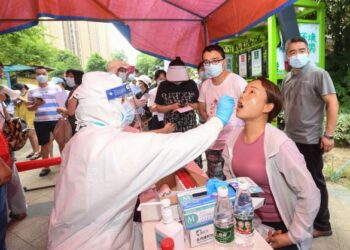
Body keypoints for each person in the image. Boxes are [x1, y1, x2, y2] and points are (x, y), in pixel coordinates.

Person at [48, 71, 235, 250]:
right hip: (97, 243)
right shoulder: (112, 146)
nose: (127, 106)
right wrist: (218, 120)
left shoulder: (80, 140)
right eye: (121, 101)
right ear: (105, 105)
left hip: (82, 236)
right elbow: (180, 145)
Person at [223, 78, 320, 250]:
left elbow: (310, 192)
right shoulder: (232, 138)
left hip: (280, 227)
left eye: (251, 91)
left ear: (267, 107)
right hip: (248, 222)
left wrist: (291, 236)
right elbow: (231, 179)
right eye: (244, 90)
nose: (242, 95)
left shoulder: (279, 144)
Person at [281, 37, 338, 238]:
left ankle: (323, 225)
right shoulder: (288, 78)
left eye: (302, 50)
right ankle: (304, 219)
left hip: (311, 140)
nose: (298, 54)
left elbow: (332, 103)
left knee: (315, 182)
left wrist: (328, 135)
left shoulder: (318, 74)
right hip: (290, 139)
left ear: (308, 51)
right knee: (295, 182)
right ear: (287, 55)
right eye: (293, 51)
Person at [198, 44, 247, 179]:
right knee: (215, 181)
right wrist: (214, 123)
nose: (211, 65)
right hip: (213, 143)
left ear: (224, 62)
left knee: (237, 180)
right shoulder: (205, 85)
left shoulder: (237, 81)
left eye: (215, 60)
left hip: (234, 142)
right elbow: (201, 108)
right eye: (207, 62)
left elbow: (249, 109)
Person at [155, 57, 202, 167]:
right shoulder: (163, 86)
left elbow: (198, 105)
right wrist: (172, 106)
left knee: (192, 155)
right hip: (170, 127)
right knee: (173, 158)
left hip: (190, 127)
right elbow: (158, 108)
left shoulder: (191, 84)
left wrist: (189, 105)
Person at [27, 66, 62, 177]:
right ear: (35, 76)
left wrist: (63, 116)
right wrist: (36, 104)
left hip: (57, 119)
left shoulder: (56, 88)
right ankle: (45, 166)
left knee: (61, 142)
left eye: (43, 73)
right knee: (44, 144)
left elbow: (63, 103)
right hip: (40, 121)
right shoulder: (32, 91)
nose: (41, 76)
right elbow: (29, 107)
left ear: (47, 75)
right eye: (38, 74)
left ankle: (65, 163)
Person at [13, 84, 40, 160]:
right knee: (29, 135)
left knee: (32, 134)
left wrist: (21, 98)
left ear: (24, 88)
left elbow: (31, 103)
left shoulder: (30, 93)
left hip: (30, 117)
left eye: (20, 91)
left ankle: (37, 152)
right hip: (23, 118)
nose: (20, 92)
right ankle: (34, 151)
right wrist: (16, 102)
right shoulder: (21, 95)